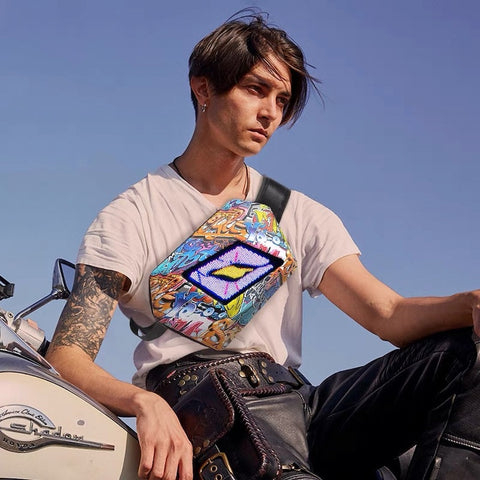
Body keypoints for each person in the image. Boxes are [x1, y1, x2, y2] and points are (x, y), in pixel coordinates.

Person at [45, 11, 480, 480]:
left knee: (466, 354)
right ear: (203, 88)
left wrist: (470, 304)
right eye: (255, 89)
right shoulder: (134, 214)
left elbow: (388, 314)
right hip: (210, 401)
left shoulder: (297, 213)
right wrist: (144, 402)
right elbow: (67, 357)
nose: (271, 112)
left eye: (281, 99)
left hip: (301, 403)